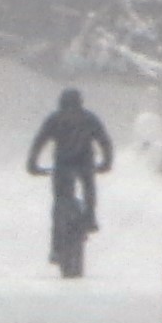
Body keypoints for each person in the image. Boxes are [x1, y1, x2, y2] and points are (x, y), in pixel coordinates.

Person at [27, 87, 116, 229]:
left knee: (60, 197)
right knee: (88, 188)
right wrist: (106, 162)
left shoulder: (54, 119)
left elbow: (39, 141)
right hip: (85, 161)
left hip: (62, 162)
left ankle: (59, 223)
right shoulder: (89, 119)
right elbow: (104, 141)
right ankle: (90, 216)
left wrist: (32, 163)